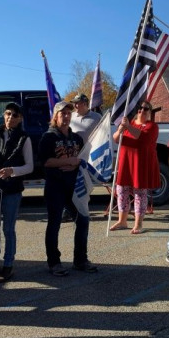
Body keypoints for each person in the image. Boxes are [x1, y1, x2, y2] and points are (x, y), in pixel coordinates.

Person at [39, 101, 98, 276]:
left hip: (75, 188)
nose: (66, 116)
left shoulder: (77, 138)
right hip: (55, 187)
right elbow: (46, 162)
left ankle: (80, 260)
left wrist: (75, 164)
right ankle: (54, 262)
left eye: (68, 113)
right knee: (54, 224)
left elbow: (82, 159)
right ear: (55, 116)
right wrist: (68, 161)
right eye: (62, 113)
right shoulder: (48, 138)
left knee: (82, 220)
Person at [0, 102, 34, 282]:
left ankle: (8, 264)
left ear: (20, 118)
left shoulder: (24, 139)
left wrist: (12, 171)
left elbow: (30, 166)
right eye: (8, 114)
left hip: (12, 190)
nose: (11, 117)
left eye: (15, 115)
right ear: (4, 115)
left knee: (8, 229)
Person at [110, 100, 160, 234]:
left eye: (146, 109)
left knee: (140, 194)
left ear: (150, 112)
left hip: (140, 165)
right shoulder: (129, 123)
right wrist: (120, 129)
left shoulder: (152, 126)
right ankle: (122, 221)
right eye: (140, 108)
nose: (142, 110)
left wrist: (127, 127)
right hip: (126, 163)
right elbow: (116, 139)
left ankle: (138, 224)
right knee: (121, 191)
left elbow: (143, 138)